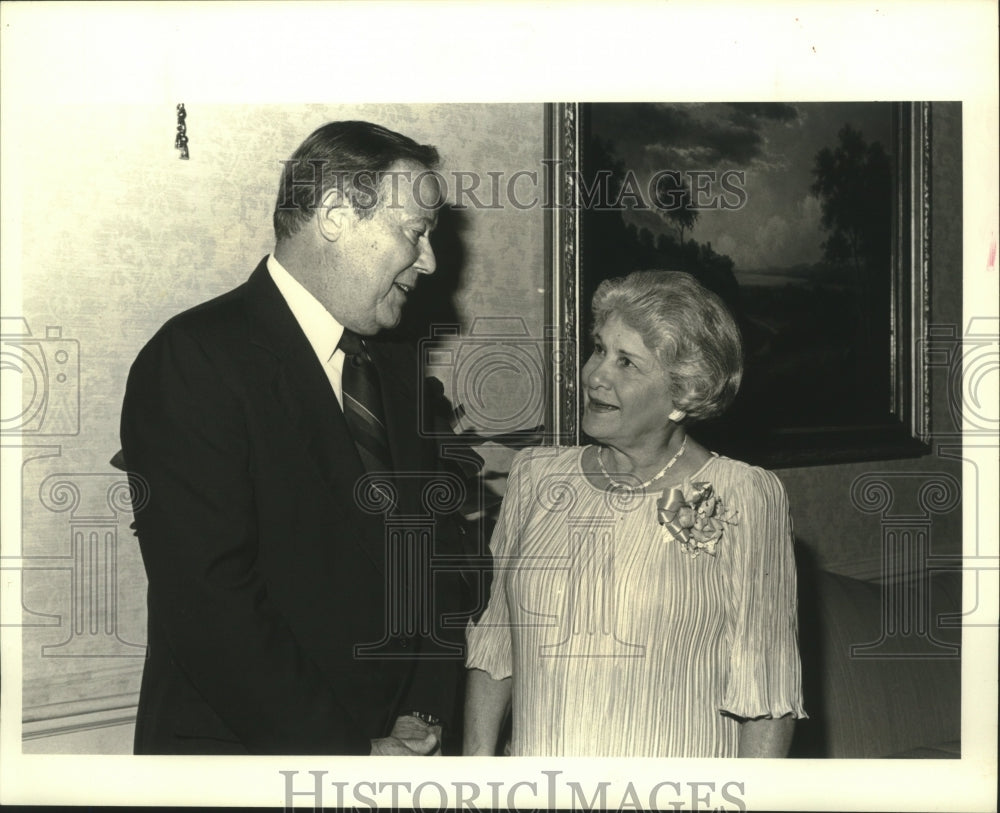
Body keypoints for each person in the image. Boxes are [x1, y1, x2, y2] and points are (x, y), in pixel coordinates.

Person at [119, 120, 473, 755]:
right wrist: (348, 756)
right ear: (336, 214)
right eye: (414, 233)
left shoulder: (391, 365)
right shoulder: (195, 359)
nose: (430, 262)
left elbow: (428, 551)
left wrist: (423, 710)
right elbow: (211, 603)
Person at [464, 270, 807, 757]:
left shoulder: (744, 495)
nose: (594, 374)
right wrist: (474, 777)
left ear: (683, 394)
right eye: (599, 348)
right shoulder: (536, 476)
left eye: (626, 362)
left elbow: (768, 695)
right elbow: (494, 643)